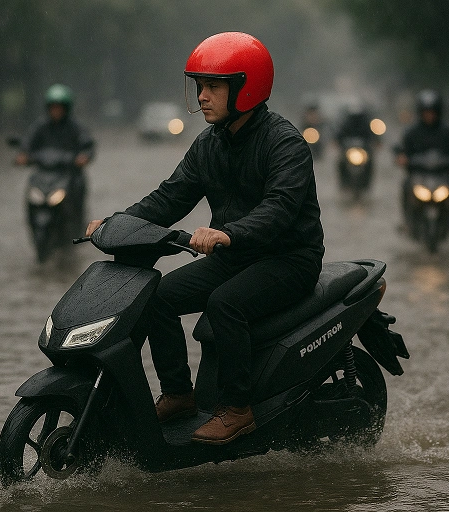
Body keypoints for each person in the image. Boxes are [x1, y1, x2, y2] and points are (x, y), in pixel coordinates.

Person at [84, 32, 324, 445]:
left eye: (214, 86)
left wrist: (228, 233)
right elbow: (169, 197)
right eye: (200, 86)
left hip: (289, 258)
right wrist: (116, 222)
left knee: (224, 304)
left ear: (246, 88)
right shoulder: (208, 145)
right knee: (155, 297)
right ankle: (179, 393)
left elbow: (279, 210)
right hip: (237, 254)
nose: (202, 96)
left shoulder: (285, 144)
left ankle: (237, 409)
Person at [15, 84, 95, 236]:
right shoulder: (40, 126)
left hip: (68, 174)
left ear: (66, 108)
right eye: (53, 107)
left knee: (78, 189)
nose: (56, 111)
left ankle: (77, 228)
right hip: (44, 174)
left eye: (59, 107)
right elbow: (28, 142)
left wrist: (84, 157)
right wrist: (23, 154)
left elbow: (87, 144)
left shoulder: (75, 128)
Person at [395, 89, 449, 229]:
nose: (429, 116)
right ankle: (407, 221)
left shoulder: (448, 130)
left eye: (432, 112)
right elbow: (401, 147)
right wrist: (401, 156)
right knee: (406, 185)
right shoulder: (412, 131)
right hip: (418, 175)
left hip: (443, 175)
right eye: (426, 112)